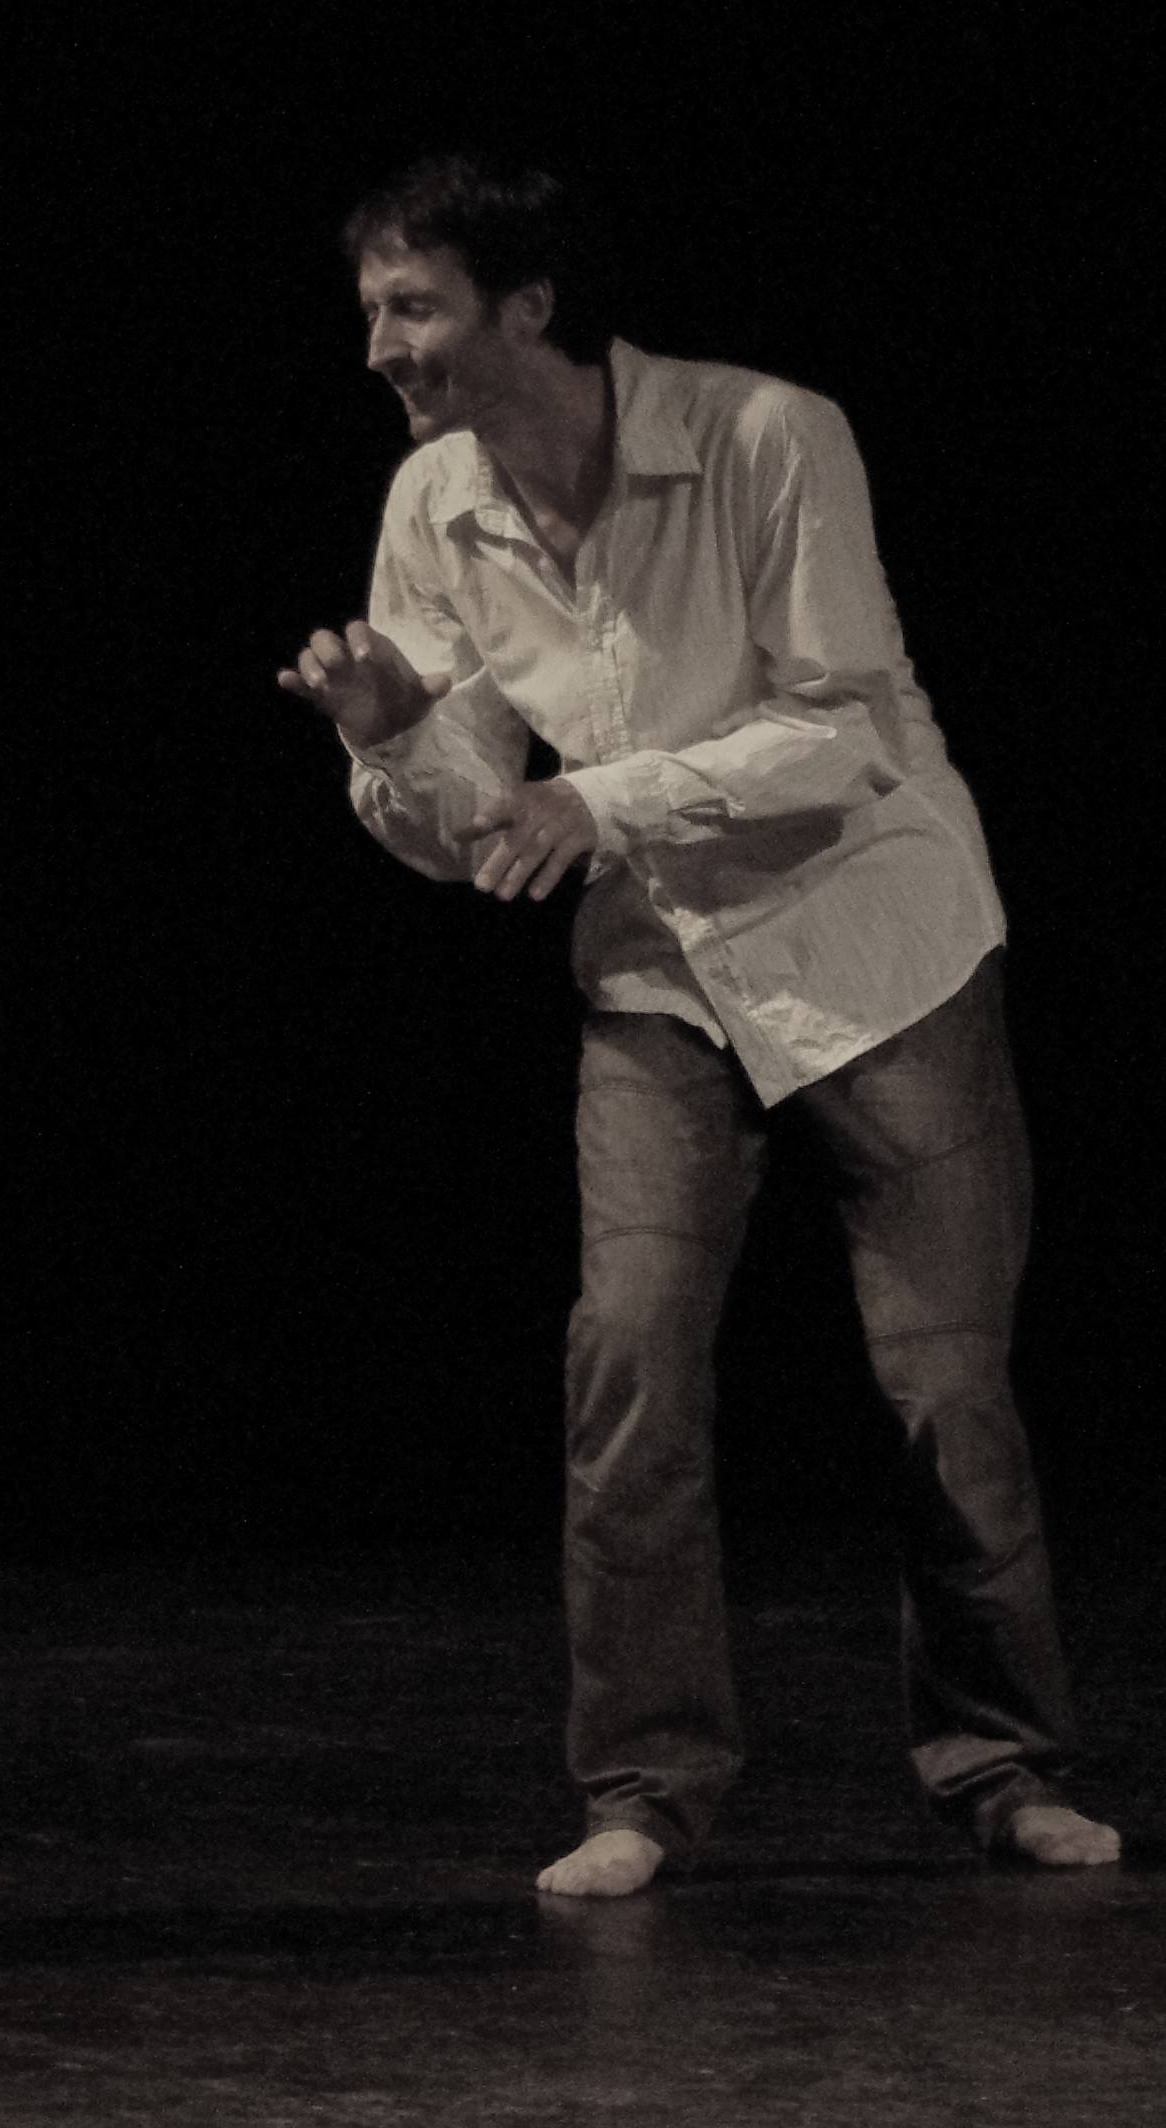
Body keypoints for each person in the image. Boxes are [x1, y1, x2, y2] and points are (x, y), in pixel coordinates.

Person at [276, 153, 1119, 1898]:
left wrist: (600, 800)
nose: (380, 346)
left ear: (527, 305)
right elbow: (472, 825)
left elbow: (843, 728)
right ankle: (642, 1791)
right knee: (630, 1358)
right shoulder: (434, 500)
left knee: (945, 1386)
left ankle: (1007, 1769)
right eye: (370, 310)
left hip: (880, 947)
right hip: (664, 970)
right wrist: (387, 736)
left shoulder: (765, 438)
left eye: (412, 305)